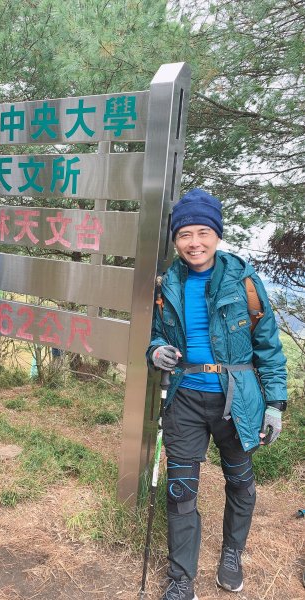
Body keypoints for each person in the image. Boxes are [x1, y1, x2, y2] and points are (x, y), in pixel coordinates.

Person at [147, 189, 287, 600]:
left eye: (203, 232)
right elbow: (157, 334)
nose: (195, 242)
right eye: (185, 234)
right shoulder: (168, 282)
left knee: (240, 483)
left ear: (217, 235)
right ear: (175, 239)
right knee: (180, 491)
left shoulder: (243, 280)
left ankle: (232, 554)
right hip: (185, 399)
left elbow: (268, 347)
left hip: (237, 401)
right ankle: (180, 579)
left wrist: (275, 404)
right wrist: (156, 351)